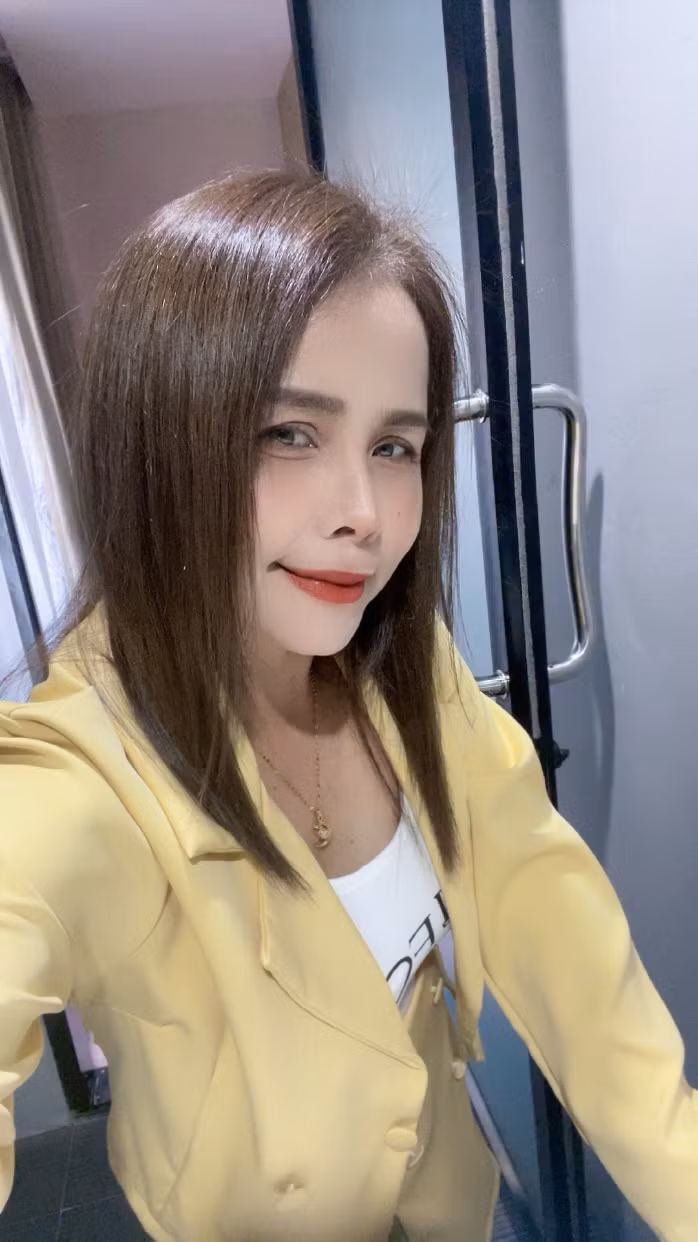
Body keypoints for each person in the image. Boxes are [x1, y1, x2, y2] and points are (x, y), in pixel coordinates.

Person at [0, 170, 695, 1242]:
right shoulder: (79, 775)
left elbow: (561, 940)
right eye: (289, 433)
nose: (364, 514)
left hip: (448, 1198)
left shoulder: (401, 668)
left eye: (393, 446)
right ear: (157, 441)